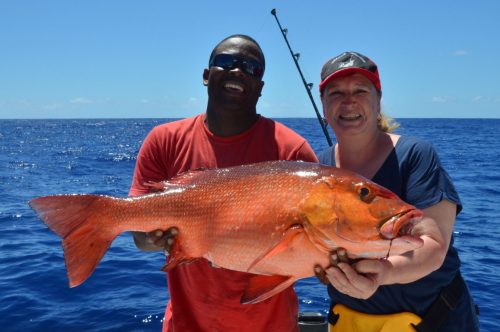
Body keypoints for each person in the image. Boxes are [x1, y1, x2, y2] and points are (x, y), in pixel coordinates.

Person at [128, 34, 318, 332]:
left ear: (260, 87)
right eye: (226, 62)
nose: (238, 71)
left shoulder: (293, 152)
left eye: (251, 68)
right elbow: (139, 239)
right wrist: (158, 239)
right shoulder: (163, 140)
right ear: (206, 75)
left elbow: (307, 248)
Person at [314, 51, 479, 332]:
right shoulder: (321, 167)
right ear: (324, 105)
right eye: (336, 93)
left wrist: (386, 272)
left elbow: (433, 245)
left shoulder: (415, 155)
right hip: (349, 322)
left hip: (433, 322)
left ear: (378, 102)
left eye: (360, 90)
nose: (348, 100)